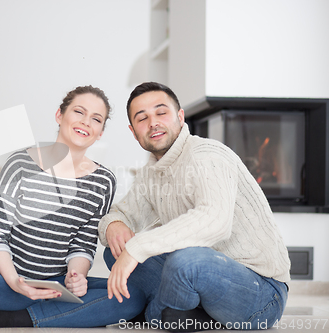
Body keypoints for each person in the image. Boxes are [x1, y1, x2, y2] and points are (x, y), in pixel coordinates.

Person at [0, 85, 145, 328]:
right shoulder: (20, 164)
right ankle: (60, 313)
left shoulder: (103, 181)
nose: (86, 122)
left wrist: (76, 277)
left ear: (100, 132)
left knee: (133, 295)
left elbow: (82, 244)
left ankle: (18, 317)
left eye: (96, 119)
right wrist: (15, 281)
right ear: (60, 115)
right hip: (6, 278)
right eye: (79, 112)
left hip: (57, 284)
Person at [99, 82, 290, 332]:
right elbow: (121, 214)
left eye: (161, 112)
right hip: (201, 274)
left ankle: (164, 313)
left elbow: (215, 221)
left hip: (262, 292)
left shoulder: (206, 155)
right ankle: (179, 314)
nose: (153, 123)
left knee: (185, 261)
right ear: (134, 132)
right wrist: (114, 225)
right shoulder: (152, 173)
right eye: (142, 118)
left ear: (180, 117)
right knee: (116, 251)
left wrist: (138, 248)